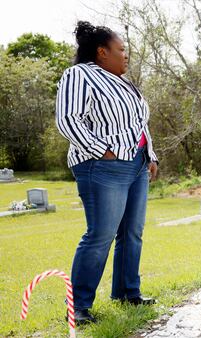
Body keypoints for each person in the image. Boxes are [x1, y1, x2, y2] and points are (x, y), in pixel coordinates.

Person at [56, 21, 159, 324]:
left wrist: (150, 155)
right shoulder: (79, 75)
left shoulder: (124, 83)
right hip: (102, 165)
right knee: (100, 234)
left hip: (136, 164)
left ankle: (127, 292)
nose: (126, 55)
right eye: (121, 50)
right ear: (102, 52)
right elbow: (69, 120)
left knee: (132, 232)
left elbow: (137, 124)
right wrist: (103, 150)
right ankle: (77, 307)